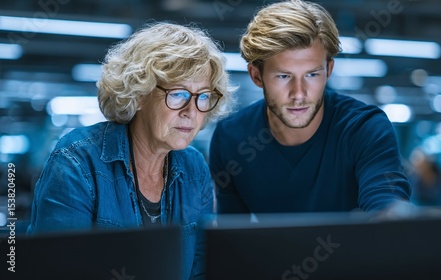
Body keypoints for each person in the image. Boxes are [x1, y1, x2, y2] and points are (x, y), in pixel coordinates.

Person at [27, 21, 236, 279]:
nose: (191, 112)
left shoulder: (194, 168)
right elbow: (57, 271)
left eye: (202, 96)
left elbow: (201, 270)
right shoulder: (76, 161)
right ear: (139, 95)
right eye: (179, 94)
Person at [209, 0, 411, 214]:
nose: (299, 93)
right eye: (284, 76)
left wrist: (388, 217)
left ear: (328, 70)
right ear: (257, 76)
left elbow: (387, 207)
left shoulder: (364, 129)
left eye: (312, 74)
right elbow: (231, 237)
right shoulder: (231, 138)